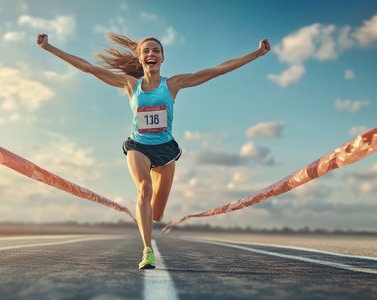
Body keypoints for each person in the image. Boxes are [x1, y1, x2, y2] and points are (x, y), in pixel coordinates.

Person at [37, 33, 270, 269]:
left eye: (155, 51)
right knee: (144, 189)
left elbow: (219, 70)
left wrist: (258, 53)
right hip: (138, 146)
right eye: (146, 51)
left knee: (157, 212)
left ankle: (150, 218)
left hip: (166, 151)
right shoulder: (130, 84)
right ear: (140, 59)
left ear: (162, 58)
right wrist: (49, 47)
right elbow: (87, 67)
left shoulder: (173, 84)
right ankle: (147, 250)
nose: (151, 54)